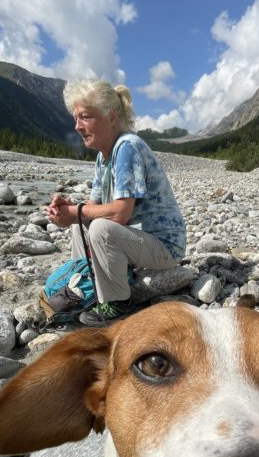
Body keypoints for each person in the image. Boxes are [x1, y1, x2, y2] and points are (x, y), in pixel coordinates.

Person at [46, 79, 186, 326]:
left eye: (85, 117)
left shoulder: (127, 147)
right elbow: (91, 208)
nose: (77, 126)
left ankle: (118, 303)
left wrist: (76, 211)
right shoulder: (103, 156)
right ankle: (87, 285)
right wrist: (68, 213)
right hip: (135, 242)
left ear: (111, 118)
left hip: (164, 247)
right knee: (81, 225)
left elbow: (121, 213)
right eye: (76, 118)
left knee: (100, 227)